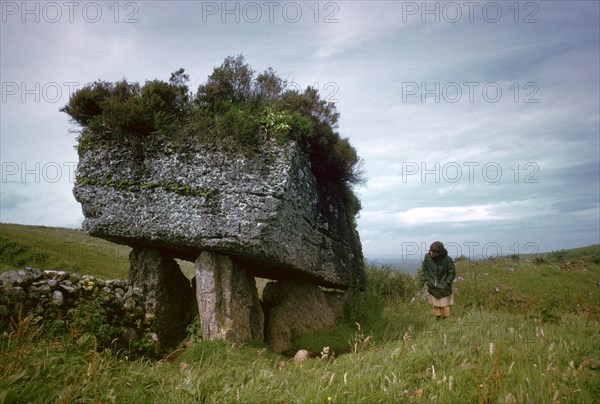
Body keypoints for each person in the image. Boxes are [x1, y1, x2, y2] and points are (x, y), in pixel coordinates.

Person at [420, 241, 456, 319]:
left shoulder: (447, 259)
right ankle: (438, 321)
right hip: (432, 285)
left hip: (444, 286)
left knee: (445, 305)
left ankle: (447, 321)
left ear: (439, 253)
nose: (431, 253)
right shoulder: (427, 256)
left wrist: (447, 283)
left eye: (433, 252)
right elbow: (425, 268)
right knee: (435, 305)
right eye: (430, 251)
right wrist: (427, 279)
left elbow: (452, 273)